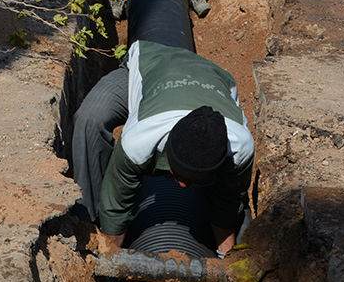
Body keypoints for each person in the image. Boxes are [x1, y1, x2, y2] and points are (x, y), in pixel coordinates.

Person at [71, 39, 253, 256]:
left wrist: (227, 261)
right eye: (180, 175)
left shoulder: (240, 147)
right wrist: (108, 258)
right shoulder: (139, 140)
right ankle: (85, 221)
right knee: (90, 119)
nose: (184, 186)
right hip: (151, 67)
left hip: (213, 77)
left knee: (240, 210)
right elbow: (116, 208)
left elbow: (227, 204)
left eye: (194, 180)